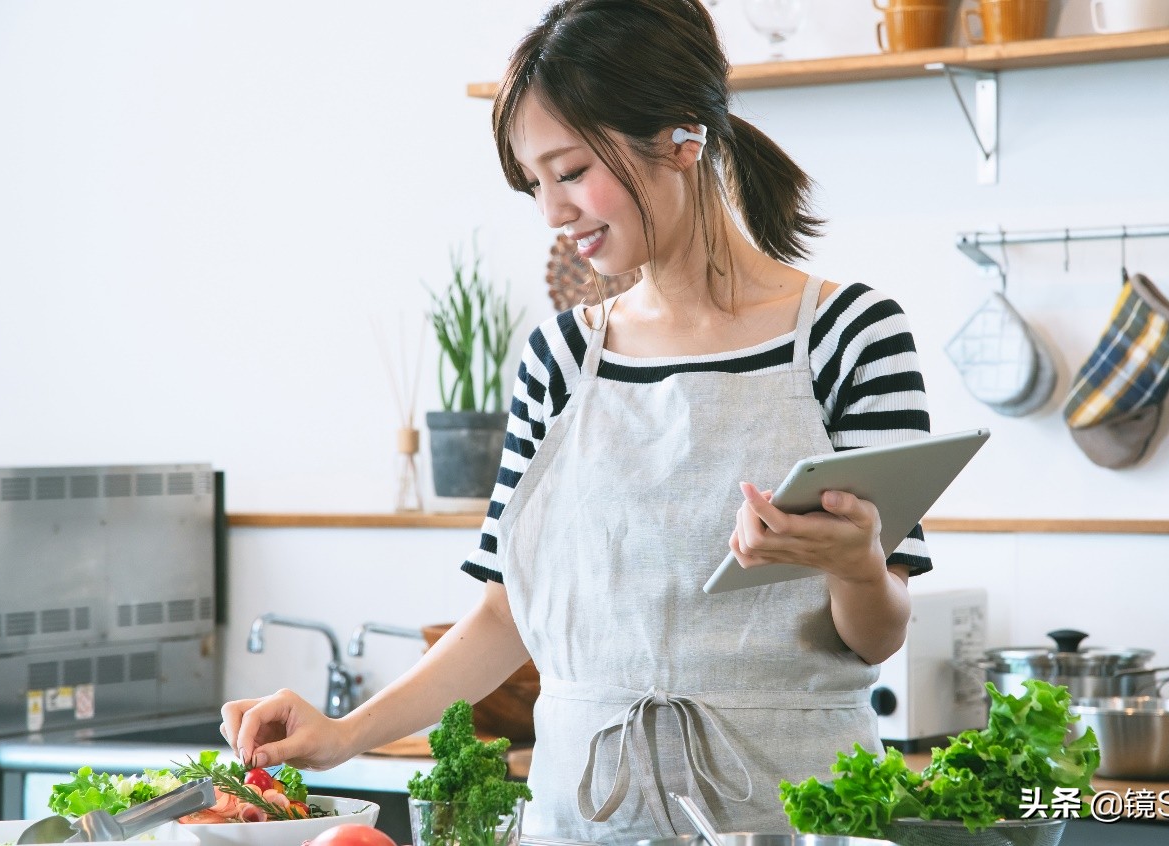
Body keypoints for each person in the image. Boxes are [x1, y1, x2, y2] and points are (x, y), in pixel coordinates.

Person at [220, 0, 933, 842]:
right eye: (535, 184)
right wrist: (344, 735)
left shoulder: (851, 336)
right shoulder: (561, 357)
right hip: (586, 819)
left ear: (682, 139)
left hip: (790, 813)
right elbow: (506, 615)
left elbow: (878, 634)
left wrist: (856, 565)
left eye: (568, 172)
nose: (553, 213)